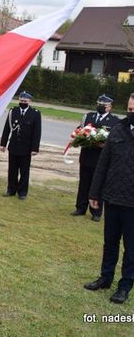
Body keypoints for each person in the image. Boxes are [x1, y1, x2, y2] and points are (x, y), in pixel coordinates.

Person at [84, 93, 134, 304]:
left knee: (131, 248)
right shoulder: (118, 129)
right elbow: (102, 165)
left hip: (132, 203)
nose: (131, 113)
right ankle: (105, 278)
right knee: (110, 242)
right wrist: (94, 193)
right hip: (112, 197)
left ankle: (125, 286)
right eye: (130, 109)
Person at [71, 94, 120, 221]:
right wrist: (79, 136)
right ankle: (81, 207)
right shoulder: (88, 116)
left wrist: (104, 144)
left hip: (101, 159)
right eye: (99, 104)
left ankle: (96, 212)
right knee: (84, 183)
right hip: (86, 156)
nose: (101, 107)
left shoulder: (115, 121)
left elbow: (115, 140)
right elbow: (79, 130)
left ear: (110, 107)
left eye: (104, 105)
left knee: (98, 185)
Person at [0, 91, 41, 200]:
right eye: (21, 101)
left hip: (26, 148)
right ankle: (11, 190)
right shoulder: (13, 111)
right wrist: (3, 144)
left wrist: (35, 148)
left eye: (25, 101)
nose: (23, 102)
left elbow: (37, 132)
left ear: (30, 101)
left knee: (24, 171)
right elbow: (7, 128)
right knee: (12, 170)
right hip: (13, 146)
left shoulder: (35, 113)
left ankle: (22, 192)